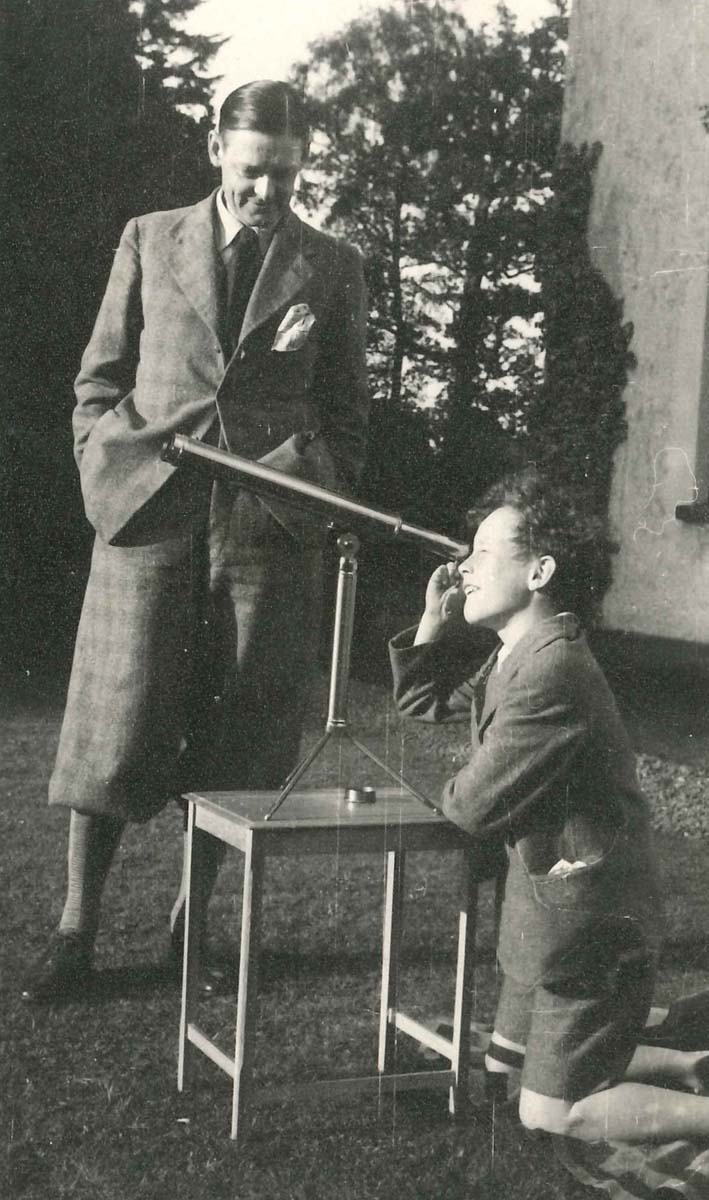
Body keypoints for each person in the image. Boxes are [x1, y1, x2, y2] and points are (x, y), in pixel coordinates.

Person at [22, 80, 369, 1003]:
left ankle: (192, 928)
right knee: (113, 726)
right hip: (148, 515)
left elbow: (347, 408)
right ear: (218, 150)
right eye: (255, 173)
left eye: (288, 179)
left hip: (266, 533)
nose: (269, 195)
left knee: (241, 738)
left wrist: (314, 486)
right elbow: (97, 379)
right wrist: (106, 475)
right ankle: (74, 932)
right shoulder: (149, 236)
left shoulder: (330, 266)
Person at [389, 470, 709, 1144]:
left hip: (590, 934)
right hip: (547, 921)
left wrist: (449, 789)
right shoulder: (523, 652)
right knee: (504, 1072)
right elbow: (424, 705)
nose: (461, 567)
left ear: (538, 572)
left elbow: (472, 806)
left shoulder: (549, 670)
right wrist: (431, 621)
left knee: (549, 1113)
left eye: (480, 552)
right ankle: (685, 1064)